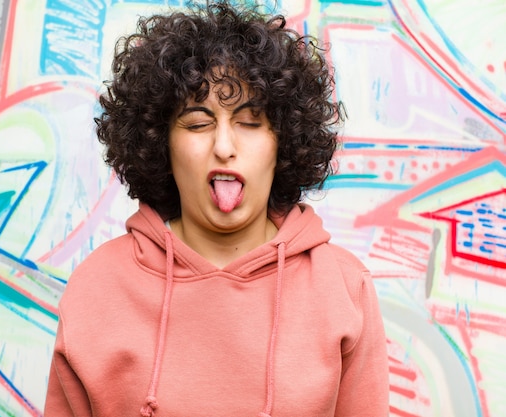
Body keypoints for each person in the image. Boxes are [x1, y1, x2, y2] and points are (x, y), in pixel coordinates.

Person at [43, 1, 389, 416]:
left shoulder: (344, 289)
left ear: (281, 142)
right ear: (161, 144)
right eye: (198, 123)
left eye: (249, 121)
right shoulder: (96, 289)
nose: (224, 147)